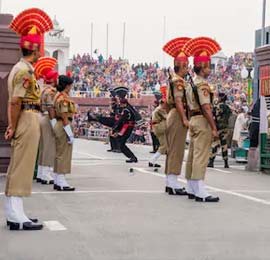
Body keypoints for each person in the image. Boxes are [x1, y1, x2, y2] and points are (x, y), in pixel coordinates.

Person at [4, 8, 53, 230]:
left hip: (24, 117)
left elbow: (12, 102)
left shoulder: (21, 68)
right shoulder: (25, 71)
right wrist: (13, 125)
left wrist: (11, 124)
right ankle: (15, 216)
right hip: (27, 117)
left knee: (19, 166)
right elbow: (15, 101)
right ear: (36, 49)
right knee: (21, 167)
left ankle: (16, 212)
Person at [183, 36, 221, 202]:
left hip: (193, 119)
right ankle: (200, 190)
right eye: (208, 66)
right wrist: (213, 127)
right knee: (201, 155)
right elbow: (206, 107)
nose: (210, 69)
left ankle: (191, 187)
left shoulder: (191, 84)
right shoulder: (203, 85)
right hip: (202, 120)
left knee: (192, 154)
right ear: (202, 66)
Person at [162, 37, 191, 195]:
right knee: (176, 149)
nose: (187, 68)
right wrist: (184, 118)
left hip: (173, 115)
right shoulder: (178, 81)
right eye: (186, 65)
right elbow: (179, 100)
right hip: (178, 115)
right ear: (180, 65)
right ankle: (173, 183)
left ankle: (170, 182)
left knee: (172, 149)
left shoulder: (174, 80)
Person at [35, 58, 58, 184]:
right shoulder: (50, 92)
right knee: (49, 147)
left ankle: (40, 172)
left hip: (41, 117)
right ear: (54, 80)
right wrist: (54, 121)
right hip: (48, 118)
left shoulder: (42, 89)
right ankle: (46, 174)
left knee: (43, 147)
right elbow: (50, 107)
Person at [53, 75, 76, 191]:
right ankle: (61, 181)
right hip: (64, 124)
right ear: (67, 85)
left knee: (59, 153)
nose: (71, 87)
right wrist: (69, 132)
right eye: (70, 85)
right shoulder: (63, 98)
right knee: (64, 154)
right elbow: (64, 115)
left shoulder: (58, 95)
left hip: (60, 124)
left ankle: (58, 179)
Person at [208, 92, 232, 168]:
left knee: (214, 144)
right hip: (225, 128)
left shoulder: (217, 106)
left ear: (220, 98)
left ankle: (211, 161)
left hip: (217, 127)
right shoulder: (227, 107)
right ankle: (226, 162)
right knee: (224, 145)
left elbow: (213, 116)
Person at [112, 98, 138, 163]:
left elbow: (121, 119)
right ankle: (132, 157)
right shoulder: (129, 109)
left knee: (121, 144)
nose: (120, 105)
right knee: (121, 142)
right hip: (127, 126)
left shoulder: (126, 110)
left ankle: (132, 157)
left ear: (124, 104)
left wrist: (115, 126)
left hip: (127, 127)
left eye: (121, 104)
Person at [148, 99, 167, 168]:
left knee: (165, 145)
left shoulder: (158, 109)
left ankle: (152, 161)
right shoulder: (159, 109)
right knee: (164, 145)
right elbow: (167, 117)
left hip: (158, 127)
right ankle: (152, 161)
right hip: (160, 127)